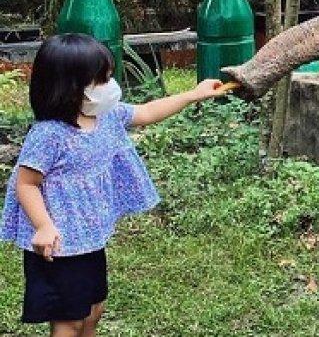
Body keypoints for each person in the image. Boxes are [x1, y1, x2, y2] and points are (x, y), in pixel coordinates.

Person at [1, 34, 228, 336]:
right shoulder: (49, 135)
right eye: (101, 80)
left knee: (95, 309)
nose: (110, 86)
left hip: (89, 238)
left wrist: (192, 95)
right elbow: (26, 184)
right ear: (68, 87)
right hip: (57, 245)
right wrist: (43, 226)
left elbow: (146, 112)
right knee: (69, 319)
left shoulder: (105, 115)